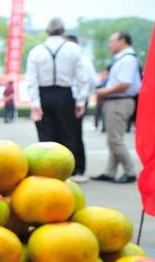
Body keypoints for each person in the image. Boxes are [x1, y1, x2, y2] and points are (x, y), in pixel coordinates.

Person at [25, 18, 88, 177]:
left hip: (44, 94)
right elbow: (82, 77)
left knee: (46, 136)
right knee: (69, 133)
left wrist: (35, 103)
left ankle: (47, 171)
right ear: (63, 31)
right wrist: (81, 100)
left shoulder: (36, 50)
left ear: (47, 31)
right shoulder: (74, 49)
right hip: (66, 94)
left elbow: (31, 79)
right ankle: (72, 170)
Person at [92, 32, 142, 184]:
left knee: (115, 140)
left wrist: (102, 91)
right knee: (113, 139)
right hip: (116, 101)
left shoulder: (127, 60)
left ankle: (130, 172)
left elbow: (124, 84)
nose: (109, 45)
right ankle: (110, 172)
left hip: (119, 101)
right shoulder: (122, 59)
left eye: (111, 41)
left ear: (123, 41)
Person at [65, 34, 98, 183]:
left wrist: (81, 100)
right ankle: (71, 168)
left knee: (74, 135)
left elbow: (91, 81)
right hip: (70, 100)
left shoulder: (82, 61)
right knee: (69, 134)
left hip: (78, 100)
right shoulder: (69, 61)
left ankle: (78, 168)